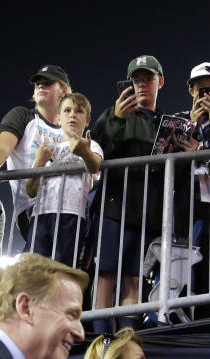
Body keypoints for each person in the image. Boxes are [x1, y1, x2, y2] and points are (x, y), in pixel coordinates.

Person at [90, 55, 166, 330]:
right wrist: (116, 118)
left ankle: (126, 343)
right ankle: (103, 343)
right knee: (107, 276)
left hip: (147, 210)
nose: (142, 84)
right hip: (115, 207)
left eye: (148, 78)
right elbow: (95, 150)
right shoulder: (115, 113)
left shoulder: (167, 124)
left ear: (160, 81)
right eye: (136, 80)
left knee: (134, 277)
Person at [0, 65, 71, 246]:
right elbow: (4, 145)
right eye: (37, 84)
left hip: (71, 207)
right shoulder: (23, 117)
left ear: (63, 89)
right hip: (35, 209)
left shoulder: (71, 128)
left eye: (47, 83)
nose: (41, 86)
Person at [24, 93, 103, 266]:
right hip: (41, 216)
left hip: (71, 215)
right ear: (58, 118)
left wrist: (85, 153)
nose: (73, 115)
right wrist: (39, 162)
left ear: (88, 120)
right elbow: (30, 190)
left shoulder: (91, 145)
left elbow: (95, 166)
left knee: (63, 270)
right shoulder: (46, 149)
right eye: (67, 110)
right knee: (31, 270)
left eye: (79, 111)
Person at [174, 62, 210, 305]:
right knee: (181, 255)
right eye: (200, 90)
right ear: (191, 91)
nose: (205, 95)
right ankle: (178, 308)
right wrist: (192, 126)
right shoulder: (177, 120)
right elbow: (169, 162)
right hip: (183, 197)